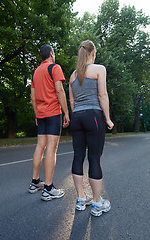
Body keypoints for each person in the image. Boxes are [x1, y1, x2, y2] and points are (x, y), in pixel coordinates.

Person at [69, 40, 114, 216]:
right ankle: (96, 203)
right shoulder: (99, 69)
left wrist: (77, 117)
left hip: (77, 117)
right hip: (93, 116)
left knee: (78, 157)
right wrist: (108, 119)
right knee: (94, 158)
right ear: (93, 53)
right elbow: (102, 94)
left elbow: (72, 101)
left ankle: (81, 199)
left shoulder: (73, 75)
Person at [29, 44, 70, 201]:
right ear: (51, 54)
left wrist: (36, 114)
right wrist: (66, 112)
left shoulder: (35, 72)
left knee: (40, 145)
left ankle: (35, 183)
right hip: (53, 113)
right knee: (51, 149)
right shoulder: (54, 68)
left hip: (41, 114)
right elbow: (59, 90)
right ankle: (48, 188)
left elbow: (33, 97)